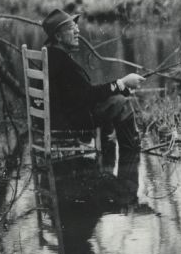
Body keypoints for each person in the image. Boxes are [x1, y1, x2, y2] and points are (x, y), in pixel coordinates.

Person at [41, 8, 145, 151]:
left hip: (57, 117)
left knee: (113, 99)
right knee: (121, 103)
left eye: (76, 27)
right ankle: (131, 157)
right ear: (58, 36)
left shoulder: (50, 56)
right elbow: (88, 95)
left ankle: (107, 162)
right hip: (68, 121)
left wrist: (119, 87)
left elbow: (80, 92)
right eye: (72, 29)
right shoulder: (63, 62)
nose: (77, 31)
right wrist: (123, 83)